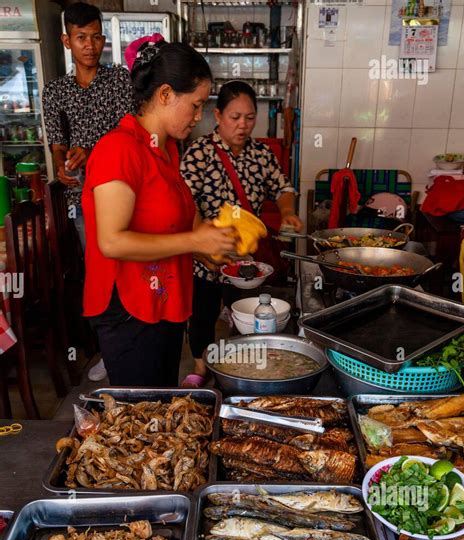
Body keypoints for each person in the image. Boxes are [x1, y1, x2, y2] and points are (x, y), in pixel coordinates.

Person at [81, 39, 235, 387]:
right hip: (130, 310)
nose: (199, 117)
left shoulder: (166, 152)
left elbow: (175, 219)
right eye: (195, 105)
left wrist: (205, 249)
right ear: (165, 94)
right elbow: (112, 241)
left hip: (163, 300)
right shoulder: (119, 149)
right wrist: (194, 239)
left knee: (162, 402)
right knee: (142, 412)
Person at [180, 80, 303, 388]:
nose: (243, 125)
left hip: (246, 260)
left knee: (246, 316)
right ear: (218, 116)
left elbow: (283, 187)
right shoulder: (199, 153)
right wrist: (199, 247)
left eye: (249, 117)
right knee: (203, 314)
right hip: (207, 255)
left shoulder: (261, 153)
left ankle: (241, 371)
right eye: (235, 117)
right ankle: (201, 367)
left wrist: (287, 212)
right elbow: (185, 202)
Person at [42, 1, 134, 382]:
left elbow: (131, 137)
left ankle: (133, 338)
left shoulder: (119, 81)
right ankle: (109, 349)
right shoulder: (55, 92)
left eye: (97, 37)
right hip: (82, 200)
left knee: (128, 265)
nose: (91, 45)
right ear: (67, 40)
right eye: (82, 38)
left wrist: (93, 151)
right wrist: (63, 166)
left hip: (124, 193)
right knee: (98, 272)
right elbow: (58, 145)